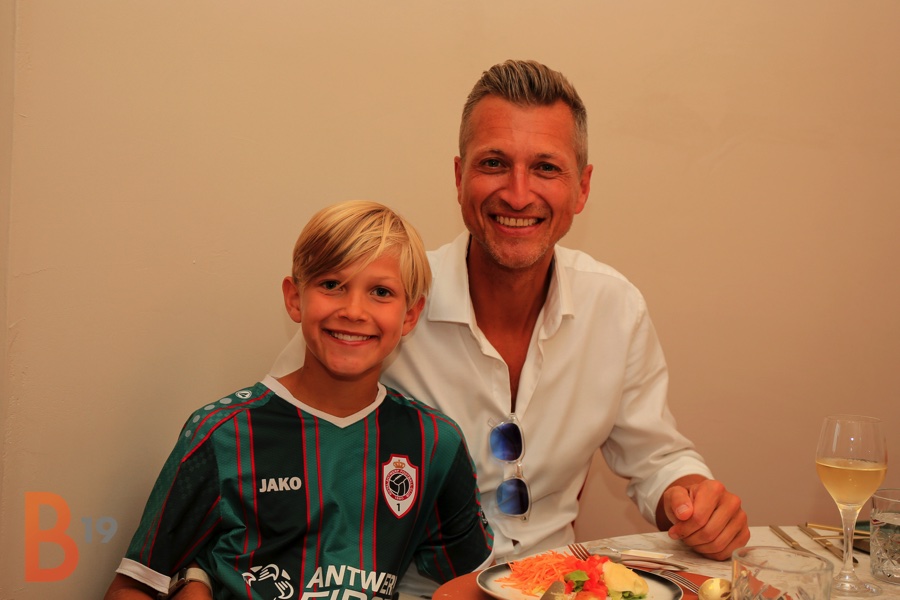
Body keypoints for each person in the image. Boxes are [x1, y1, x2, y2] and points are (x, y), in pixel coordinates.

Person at [275, 60, 749, 576]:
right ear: (459, 178)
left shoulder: (615, 307)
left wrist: (692, 501)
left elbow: (657, 460)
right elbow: (278, 438)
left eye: (546, 167)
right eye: (494, 163)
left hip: (556, 583)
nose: (519, 194)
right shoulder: (384, 300)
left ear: (582, 187)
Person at [103, 201, 494, 600]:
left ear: (410, 315)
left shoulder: (434, 443)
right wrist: (195, 578)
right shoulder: (221, 434)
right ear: (294, 298)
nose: (353, 311)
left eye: (381, 292)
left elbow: (473, 578)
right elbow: (132, 587)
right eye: (332, 285)